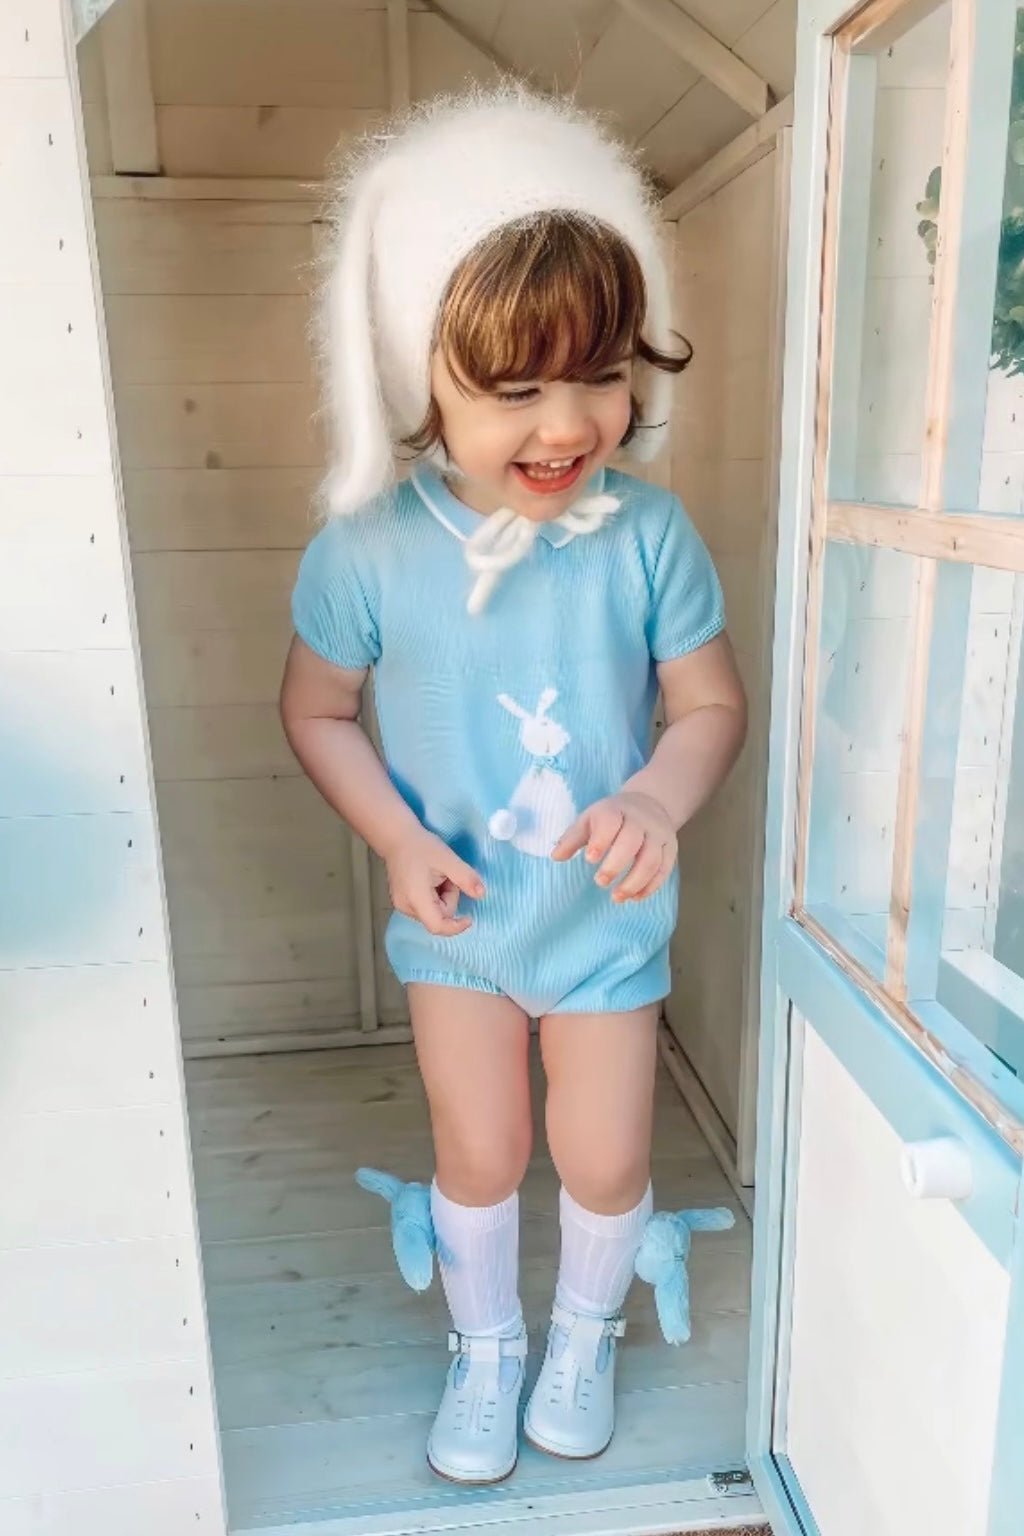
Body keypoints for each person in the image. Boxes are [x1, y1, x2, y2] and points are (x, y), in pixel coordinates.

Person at [279, 80, 747, 1487]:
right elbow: (317, 711)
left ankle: (582, 1333)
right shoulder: (367, 551)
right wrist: (394, 836)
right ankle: (485, 1347)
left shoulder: (648, 534)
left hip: (603, 925)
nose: (568, 422)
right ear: (418, 374)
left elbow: (709, 705)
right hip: (462, 923)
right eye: (515, 386)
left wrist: (658, 798)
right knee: (479, 1149)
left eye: (600, 371)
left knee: (603, 1156)